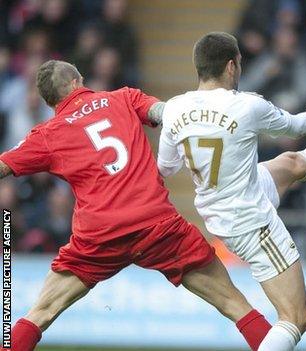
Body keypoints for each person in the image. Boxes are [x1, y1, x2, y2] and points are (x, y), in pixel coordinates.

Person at [3, 60, 273, 351]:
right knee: (235, 304)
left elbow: (4, 166)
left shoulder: (47, 134)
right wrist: (233, 107)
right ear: (77, 81)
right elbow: (170, 114)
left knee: (39, 313)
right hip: (157, 226)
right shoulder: (124, 98)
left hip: (100, 237)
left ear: (48, 100)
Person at [157, 32, 306, 351]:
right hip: (251, 222)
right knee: (296, 317)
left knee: (291, 164)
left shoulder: (173, 108)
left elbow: (166, 168)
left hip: (227, 201)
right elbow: (298, 126)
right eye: (239, 64)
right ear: (231, 66)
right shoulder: (246, 106)